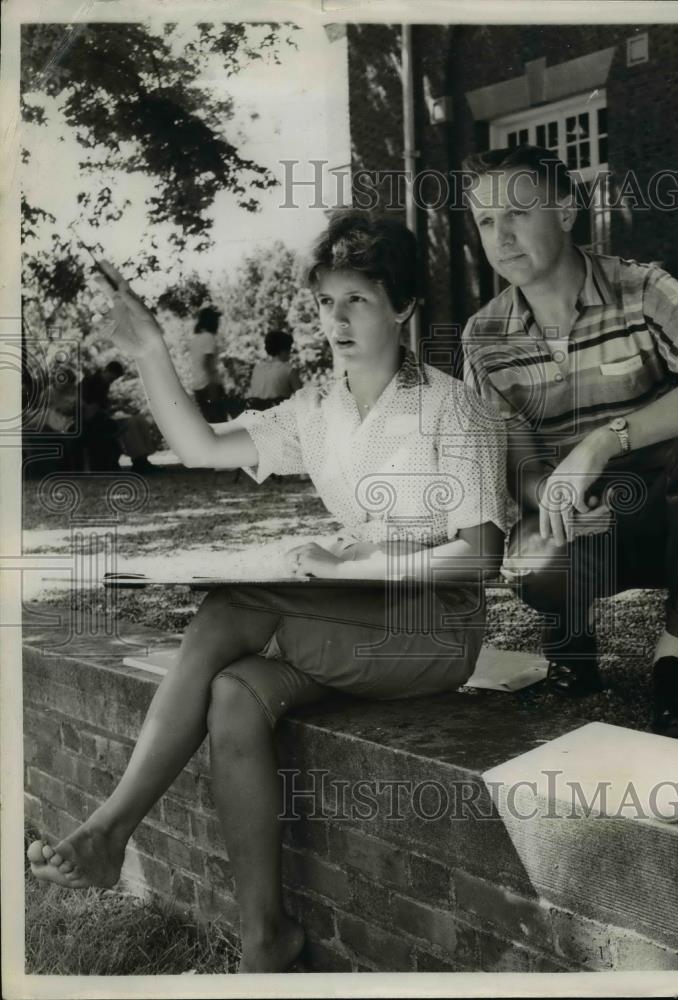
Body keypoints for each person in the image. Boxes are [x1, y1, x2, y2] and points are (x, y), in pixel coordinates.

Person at [27, 211, 507, 973]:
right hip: (352, 622)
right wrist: (154, 352)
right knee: (233, 695)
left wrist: (347, 568)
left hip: (435, 631)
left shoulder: (455, 408)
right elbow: (198, 446)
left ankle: (110, 832)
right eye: (326, 302)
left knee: (230, 609)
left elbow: (480, 558)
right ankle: (265, 939)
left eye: (358, 299)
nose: (337, 319)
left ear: (404, 307)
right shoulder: (317, 408)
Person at [461, 144, 678, 740]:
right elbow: (516, 469)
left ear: (566, 211)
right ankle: (571, 641)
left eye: (517, 213)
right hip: (581, 528)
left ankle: (676, 662)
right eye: (487, 222)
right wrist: (554, 493)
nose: (502, 237)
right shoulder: (483, 336)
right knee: (531, 563)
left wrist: (601, 444)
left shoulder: (643, 288)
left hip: (664, 514)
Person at [77, 361, 160, 473]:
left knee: (139, 420)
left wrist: (114, 409)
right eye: (112, 378)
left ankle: (143, 459)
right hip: (92, 423)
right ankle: (138, 462)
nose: (112, 381)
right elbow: (85, 407)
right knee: (130, 424)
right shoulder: (88, 382)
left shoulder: (104, 385)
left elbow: (104, 407)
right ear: (106, 371)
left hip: (102, 418)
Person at [190, 304, 229, 422]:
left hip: (198, 386)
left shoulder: (196, 339)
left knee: (211, 424)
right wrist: (212, 389)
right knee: (221, 423)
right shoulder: (208, 338)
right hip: (209, 386)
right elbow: (207, 364)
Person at [247, 329, 302, 410]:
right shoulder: (289, 370)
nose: (290, 353)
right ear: (283, 350)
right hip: (277, 414)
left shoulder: (257, 368)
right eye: (289, 349)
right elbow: (303, 397)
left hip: (255, 414)